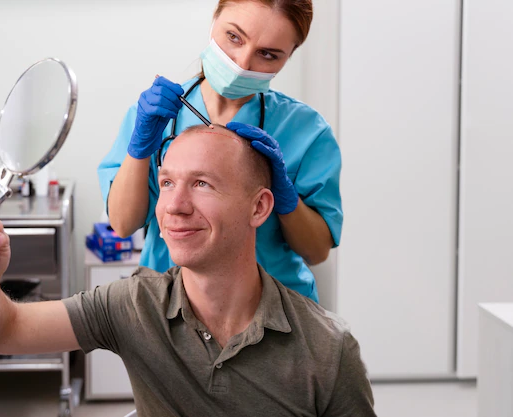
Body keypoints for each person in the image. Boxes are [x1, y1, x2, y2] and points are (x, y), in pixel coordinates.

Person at [0, 125, 375, 417]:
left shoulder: (327, 350)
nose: (173, 206)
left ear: (259, 207)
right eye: (167, 183)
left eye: (202, 183)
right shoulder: (134, 305)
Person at [99, 0, 342, 303]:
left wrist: (284, 196)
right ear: (214, 20)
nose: (242, 62)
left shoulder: (307, 131)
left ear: (288, 57)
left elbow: (316, 252)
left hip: (279, 315)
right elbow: (122, 224)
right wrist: (139, 149)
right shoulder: (155, 115)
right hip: (168, 309)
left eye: (267, 54)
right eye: (234, 37)